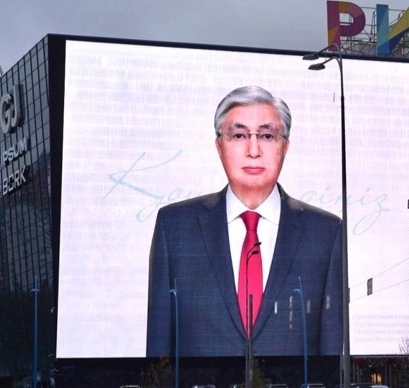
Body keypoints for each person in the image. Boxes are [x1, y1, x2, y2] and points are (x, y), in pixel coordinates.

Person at [146, 85, 343, 357]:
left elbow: (331, 354)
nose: (253, 150)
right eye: (238, 135)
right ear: (219, 146)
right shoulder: (175, 227)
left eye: (266, 135)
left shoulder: (325, 233)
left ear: (285, 146)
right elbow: (158, 352)